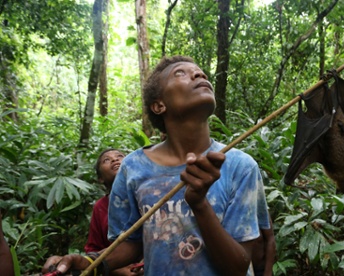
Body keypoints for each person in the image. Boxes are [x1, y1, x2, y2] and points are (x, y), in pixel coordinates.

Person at [42, 55, 271, 276]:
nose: (199, 74)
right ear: (159, 105)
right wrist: (91, 262)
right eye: (181, 73)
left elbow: (238, 267)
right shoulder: (133, 167)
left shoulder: (240, 165)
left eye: (200, 72)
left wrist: (199, 204)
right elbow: (132, 243)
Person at [84, 149, 143, 276]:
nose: (114, 160)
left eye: (120, 156)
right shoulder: (100, 207)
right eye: (106, 160)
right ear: (100, 178)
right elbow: (94, 248)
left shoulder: (147, 195)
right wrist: (117, 270)